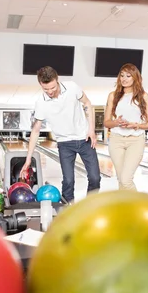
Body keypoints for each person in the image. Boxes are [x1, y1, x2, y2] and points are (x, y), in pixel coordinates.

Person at [20, 66, 100, 202]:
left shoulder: (72, 87)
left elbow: (87, 103)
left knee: (95, 177)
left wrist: (91, 129)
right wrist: (28, 159)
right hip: (64, 143)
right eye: (46, 89)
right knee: (68, 181)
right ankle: (68, 209)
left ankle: (90, 205)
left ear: (57, 80)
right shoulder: (41, 103)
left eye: (53, 87)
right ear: (40, 84)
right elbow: (35, 130)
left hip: (84, 138)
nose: (50, 91)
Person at [103, 63, 148, 190]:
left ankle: (136, 209)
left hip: (135, 140)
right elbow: (106, 122)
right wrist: (117, 122)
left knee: (126, 179)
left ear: (135, 78)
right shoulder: (113, 96)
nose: (124, 79)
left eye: (128, 76)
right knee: (121, 179)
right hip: (116, 140)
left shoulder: (143, 96)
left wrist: (135, 125)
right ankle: (125, 208)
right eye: (121, 76)